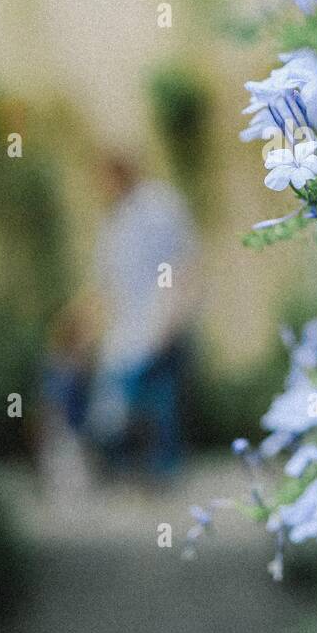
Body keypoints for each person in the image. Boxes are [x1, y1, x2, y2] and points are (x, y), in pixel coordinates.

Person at [44, 149, 198, 484]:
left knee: (159, 402)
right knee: (117, 405)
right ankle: (133, 474)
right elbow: (105, 283)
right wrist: (77, 320)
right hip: (129, 331)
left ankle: (162, 477)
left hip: (160, 322)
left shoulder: (160, 207)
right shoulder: (114, 220)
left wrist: (169, 319)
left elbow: (180, 264)